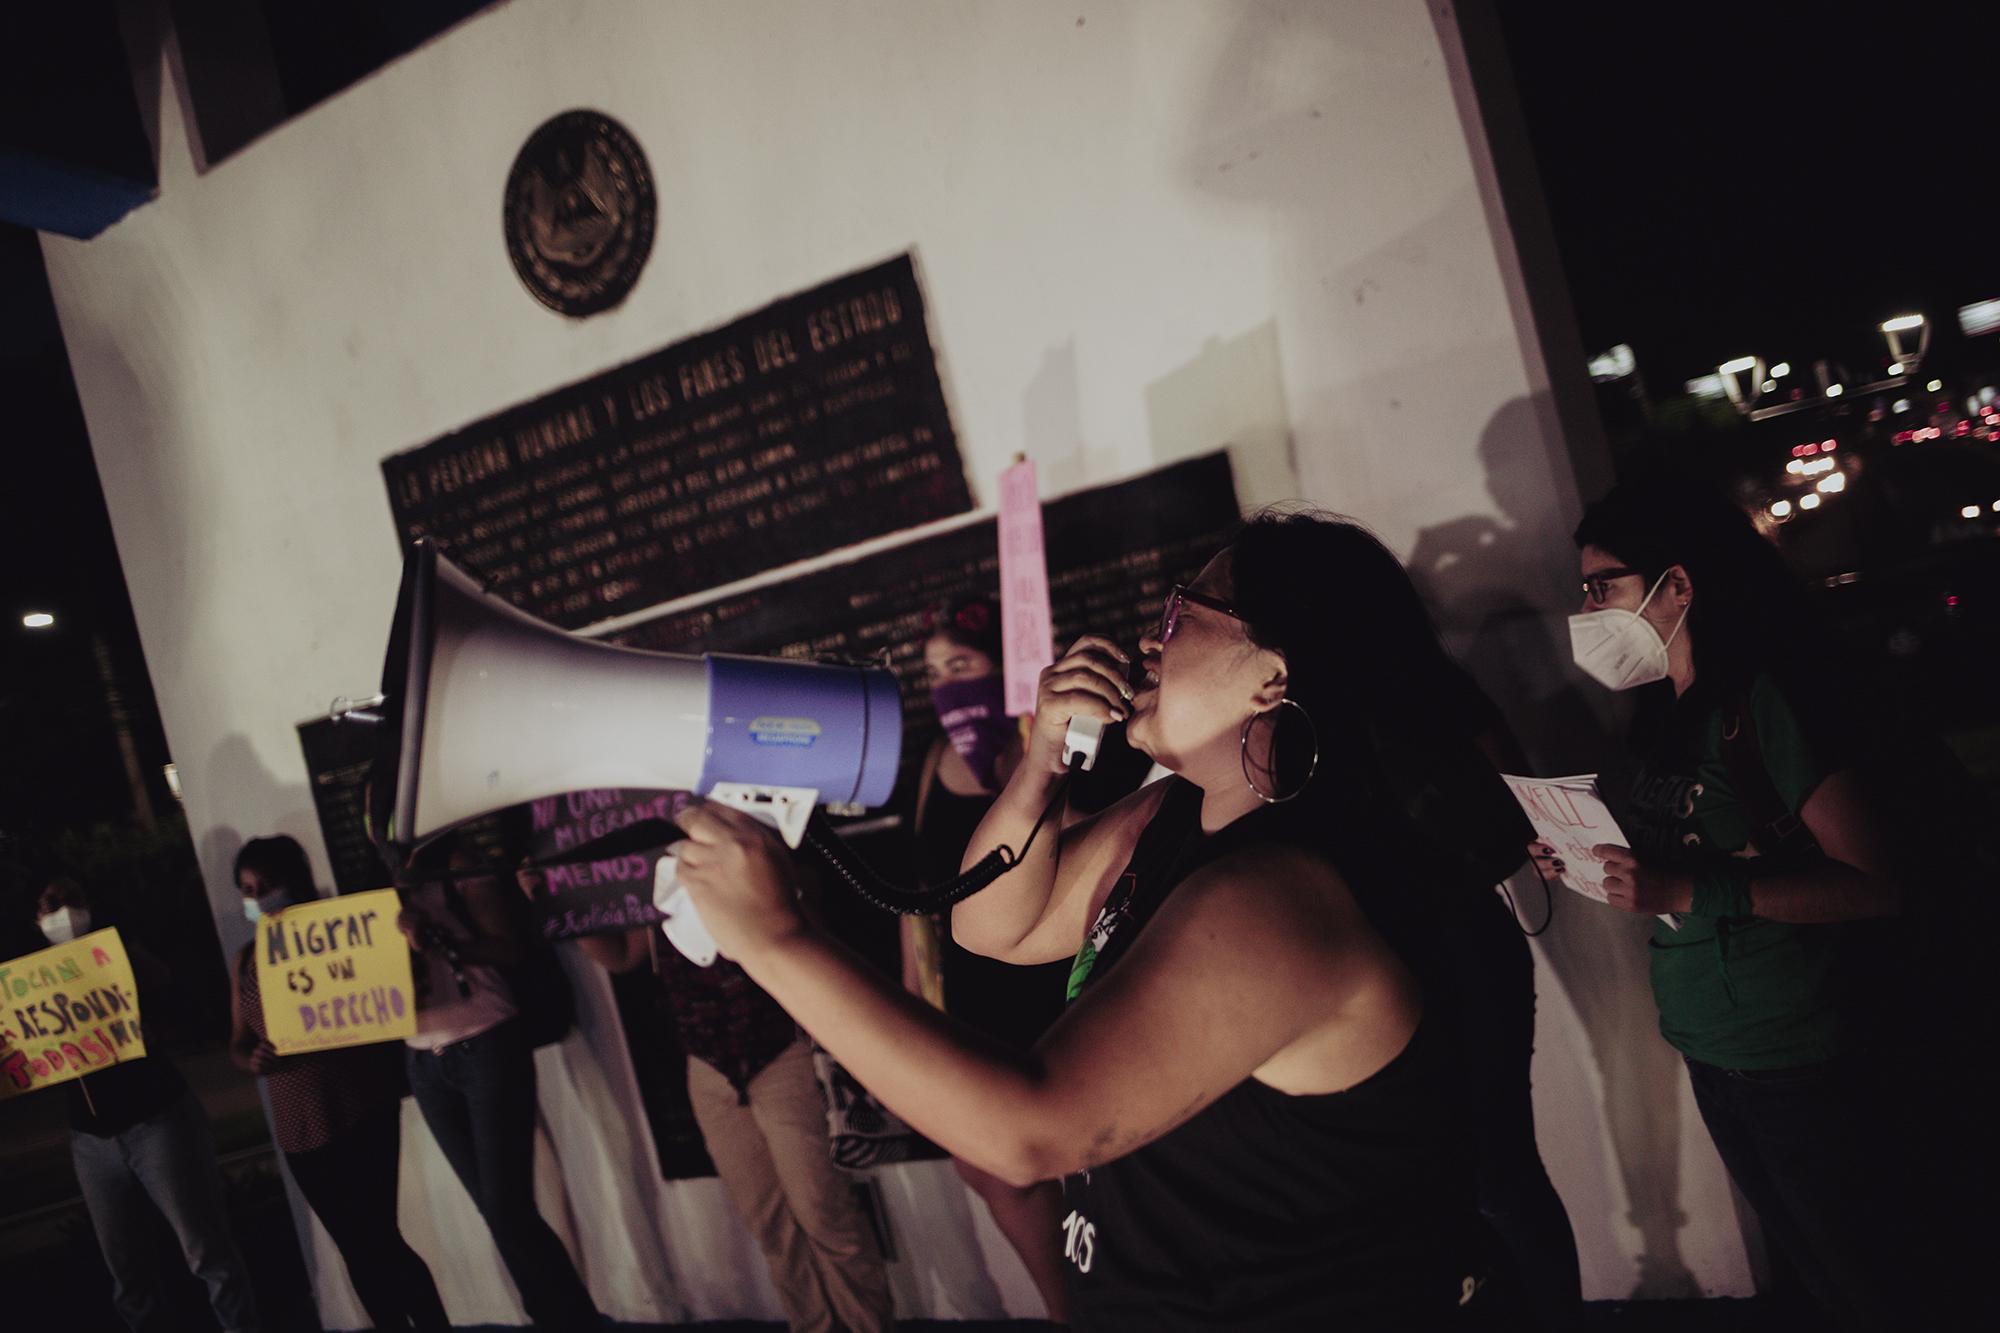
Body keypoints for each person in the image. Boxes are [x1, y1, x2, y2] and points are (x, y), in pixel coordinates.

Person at [670, 511, 1529, 1329]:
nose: (1151, 638)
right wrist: (1041, 763)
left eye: (1182, 613)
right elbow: (990, 926)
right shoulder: (1168, 818)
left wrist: (776, 941)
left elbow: (1026, 1130)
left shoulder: (1283, 896)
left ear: (1274, 673)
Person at [1545, 480, 1936, 1330]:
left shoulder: (1765, 702)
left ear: (1677, 585)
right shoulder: (1660, 711)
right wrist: (1579, 856)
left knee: (1874, 1282)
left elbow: (1873, 879)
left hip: (1800, 1053)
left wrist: (1687, 889)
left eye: (1601, 586)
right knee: (1821, 1277)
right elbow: (1681, 852)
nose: (1585, 609)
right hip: (1713, 1049)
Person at [547, 864, 896, 1333]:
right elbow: (624, 954)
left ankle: (868, 1327)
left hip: (779, 1049)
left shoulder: (743, 842)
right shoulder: (648, 867)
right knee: (768, 1220)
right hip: (707, 1065)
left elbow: (808, 920)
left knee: (822, 1208)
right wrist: (564, 906)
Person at [900, 594, 1072, 1324]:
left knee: (1069, 1154)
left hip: (1044, 975)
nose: (947, 686)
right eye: (935, 672)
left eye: (961, 666)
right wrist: (914, 995)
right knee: (988, 1164)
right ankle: (1068, 1310)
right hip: (966, 988)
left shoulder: (1045, 743)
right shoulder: (934, 759)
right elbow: (917, 885)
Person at [229, 835, 449, 1332]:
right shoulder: (247, 958)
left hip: (360, 1105)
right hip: (299, 1126)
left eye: (267, 883)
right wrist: (252, 1059)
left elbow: (393, 994)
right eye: (248, 888)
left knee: (381, 1237)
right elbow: (238, 1042)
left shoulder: (345, 931)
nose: (259, 895)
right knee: (354, 1246)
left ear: (296, 881)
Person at [35, 876, 263, 1333]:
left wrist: (112, 948)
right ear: (36, 918)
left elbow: (173, 995)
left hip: (156, 1122)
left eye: (72, 901)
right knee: (128, 1274)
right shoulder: (33, 979)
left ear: (91, 906)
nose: (63, 912)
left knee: (206, 1253)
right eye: (52, 905)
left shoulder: (122, 953)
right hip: (91, 1139)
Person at [398, 839, 601, 1331]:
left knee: (507, 1207)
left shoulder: (455, 863)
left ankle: (568, 1318)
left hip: (485, 1042)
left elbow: (507, 945)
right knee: (497, 1211)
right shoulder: (390, 880)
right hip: (426, 1057)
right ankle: (559, 1315)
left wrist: (441, 941)